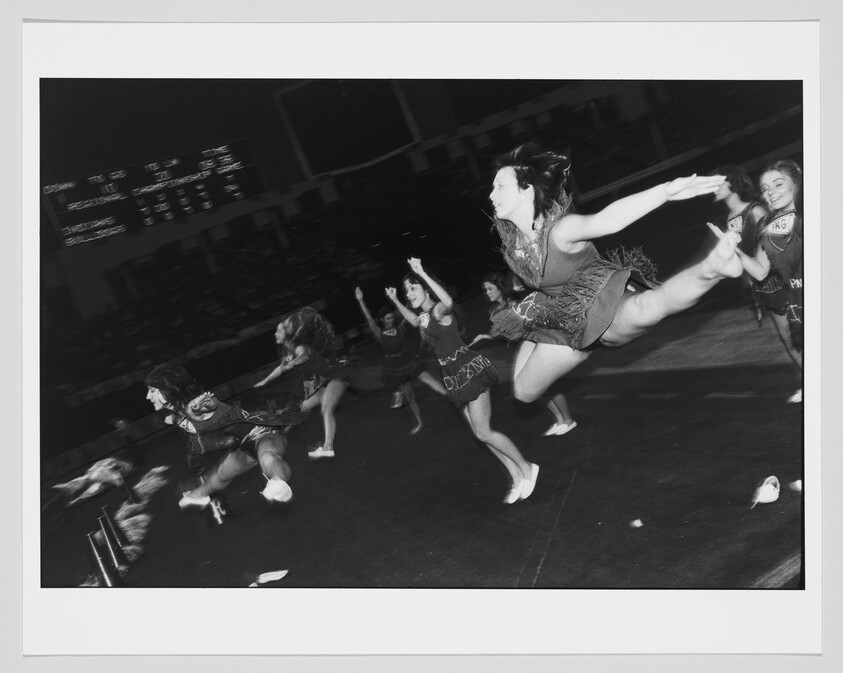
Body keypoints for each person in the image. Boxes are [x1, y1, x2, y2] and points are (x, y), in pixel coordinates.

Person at [487, 143, 743, 408]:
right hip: (562, 319)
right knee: (523, 392)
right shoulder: (512, 246)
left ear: (526, 189)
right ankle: (572, 343)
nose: (492, 195)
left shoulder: (561, 230)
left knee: (648, 306)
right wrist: (533, 320)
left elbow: (607, 220)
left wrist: (665, 191)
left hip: (601, 300)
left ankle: (712, 268)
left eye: (500, 186)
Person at [387, 258, 539, 504]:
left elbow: (447, 301)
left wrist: (422, 273)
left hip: (468, 370)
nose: (409, 294)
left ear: (425, 288)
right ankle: (515, 475)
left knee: (483, 432)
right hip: (453, 377)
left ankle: (527, 467)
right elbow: (415, 322)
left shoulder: (437, 309)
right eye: (407, 291)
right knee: (480, 434)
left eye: (412, 288)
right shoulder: (425, 316)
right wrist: (395, 300)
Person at [144, 364, 299, 509]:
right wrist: (175, 419)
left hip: (263, 430)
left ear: (169, 388)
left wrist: (205, 404)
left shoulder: (194, 406)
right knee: (222, 475)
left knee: (269, 457)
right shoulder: (179, 413)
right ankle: (200, 495)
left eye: (152, 390)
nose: (147, 397)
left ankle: (279, 485)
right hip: (244, 445)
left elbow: (211, 404)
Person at [470, 272, 577, 436]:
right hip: (522, 347)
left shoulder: (515, 301)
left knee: (548, 385)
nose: (487, 293)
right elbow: (505, 335)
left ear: (499, 287)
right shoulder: (494, 311)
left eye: (490, 288)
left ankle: (568, 420)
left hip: (537, 342)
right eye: (485, 290)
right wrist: (486, 336)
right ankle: (559, 419)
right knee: (536, 386)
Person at [734, 159, 804, 403]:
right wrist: (735, 250)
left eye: (777, 184)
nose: (770, 192)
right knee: (796, 341)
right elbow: (761, 272)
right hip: (794, 299)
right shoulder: (768, 229)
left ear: (796, 183)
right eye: (765, 189)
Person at [255, 307, 350, 460]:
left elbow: (304, 356)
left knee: (326, 409)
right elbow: (280, 368)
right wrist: (264, 381)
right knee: (301, 408)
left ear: (287, 334)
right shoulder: (288, 352)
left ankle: (328, 447)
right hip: (323, 383)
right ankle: (280, 435)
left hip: (335, 377)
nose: (275, 334)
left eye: (279, 331)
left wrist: (294, 363)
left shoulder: (299, 347)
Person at [355, 286, 446, 434]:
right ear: (382, 320)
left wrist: (410, 298)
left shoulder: (400, 328)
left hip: (407, 360)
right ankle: (419, 422)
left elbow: (409, 314)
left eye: (392, 317)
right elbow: (368, 318)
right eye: (387, 318)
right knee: (410, 395)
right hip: (395, 367)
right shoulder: (379, 333)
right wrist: (360, 300)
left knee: (427, 378)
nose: (390, 320)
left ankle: (452, 397)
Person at [708, 164, 769, 323]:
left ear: (733, 183)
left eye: (718, 183)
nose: (714, 188)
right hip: (756, 284)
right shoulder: (728, 218)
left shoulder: (756, 212)